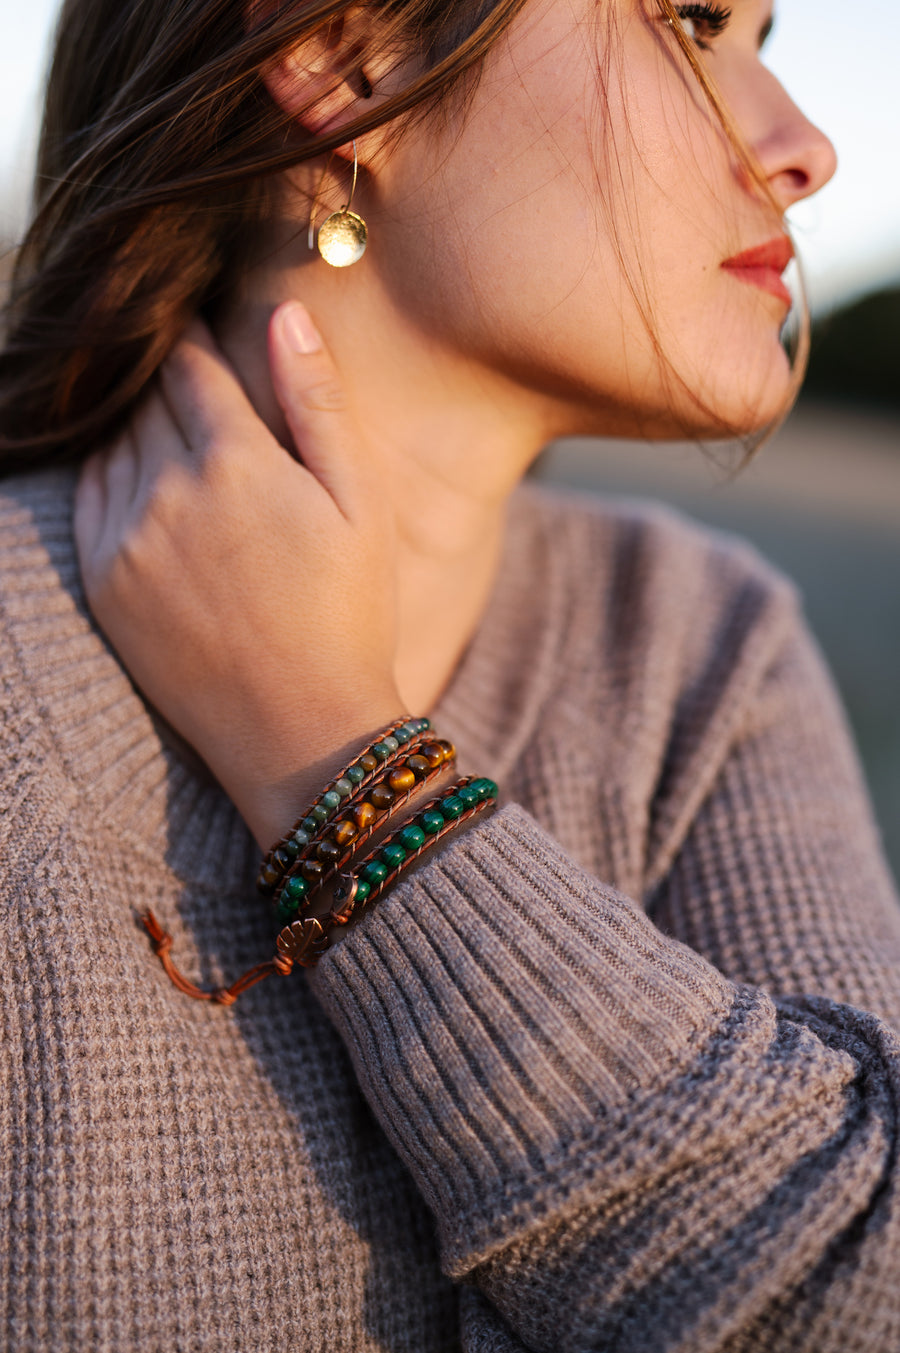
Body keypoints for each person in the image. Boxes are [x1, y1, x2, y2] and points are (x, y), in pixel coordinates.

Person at [1, 0, 898, 1348]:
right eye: (696, 21)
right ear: (343, 55)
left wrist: (344, 762)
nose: (806, 146)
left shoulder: (698, 649)